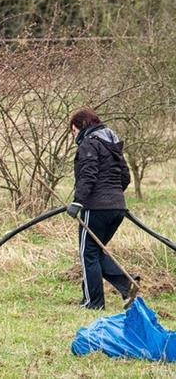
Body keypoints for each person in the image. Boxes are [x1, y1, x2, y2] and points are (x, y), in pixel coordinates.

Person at [66, 107, 133, 309]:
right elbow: (125, 176)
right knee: (95, 253)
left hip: (95, 208)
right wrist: (114, 197)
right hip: (117, 208)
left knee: (88, 254)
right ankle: (125, 284)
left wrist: (78, 201)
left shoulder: (89, 144)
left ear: (80, 126)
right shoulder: (112, 145)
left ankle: (93, 303)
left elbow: (88, 174)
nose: (74, 136)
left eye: (73, 131)